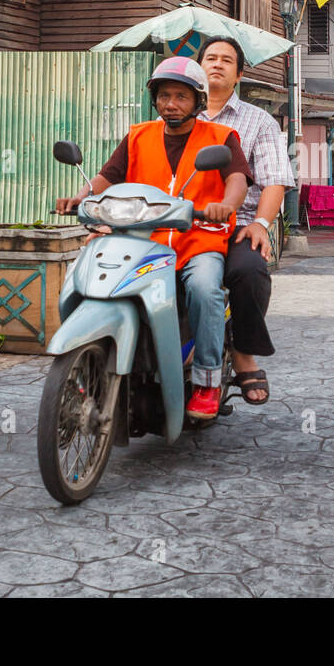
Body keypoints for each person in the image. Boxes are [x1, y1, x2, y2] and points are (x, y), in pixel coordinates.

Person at [55, 56, 252, 421]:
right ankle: (85, 366)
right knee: (86, 277)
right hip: (142, 241)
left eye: (180, 96)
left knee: (205, 288)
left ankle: (207, 381)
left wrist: (225, 205)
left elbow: (237, 177)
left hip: (198, 239)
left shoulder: (220, 138)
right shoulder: (138, 135)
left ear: (197, 99)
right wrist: (81, 197)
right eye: (164, 96)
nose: (170, 104)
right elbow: (107, 176)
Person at [195, 36, 296, 407]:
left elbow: (275, 181)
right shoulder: (175, 117)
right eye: (210, 58)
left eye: (226, 60)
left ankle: (242, 350)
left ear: (238, 74)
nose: (217, 64)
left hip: (239, 222)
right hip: (183, 223)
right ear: (198, 67)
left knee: (250, 270)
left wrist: (261, 224)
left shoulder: (259, 121)